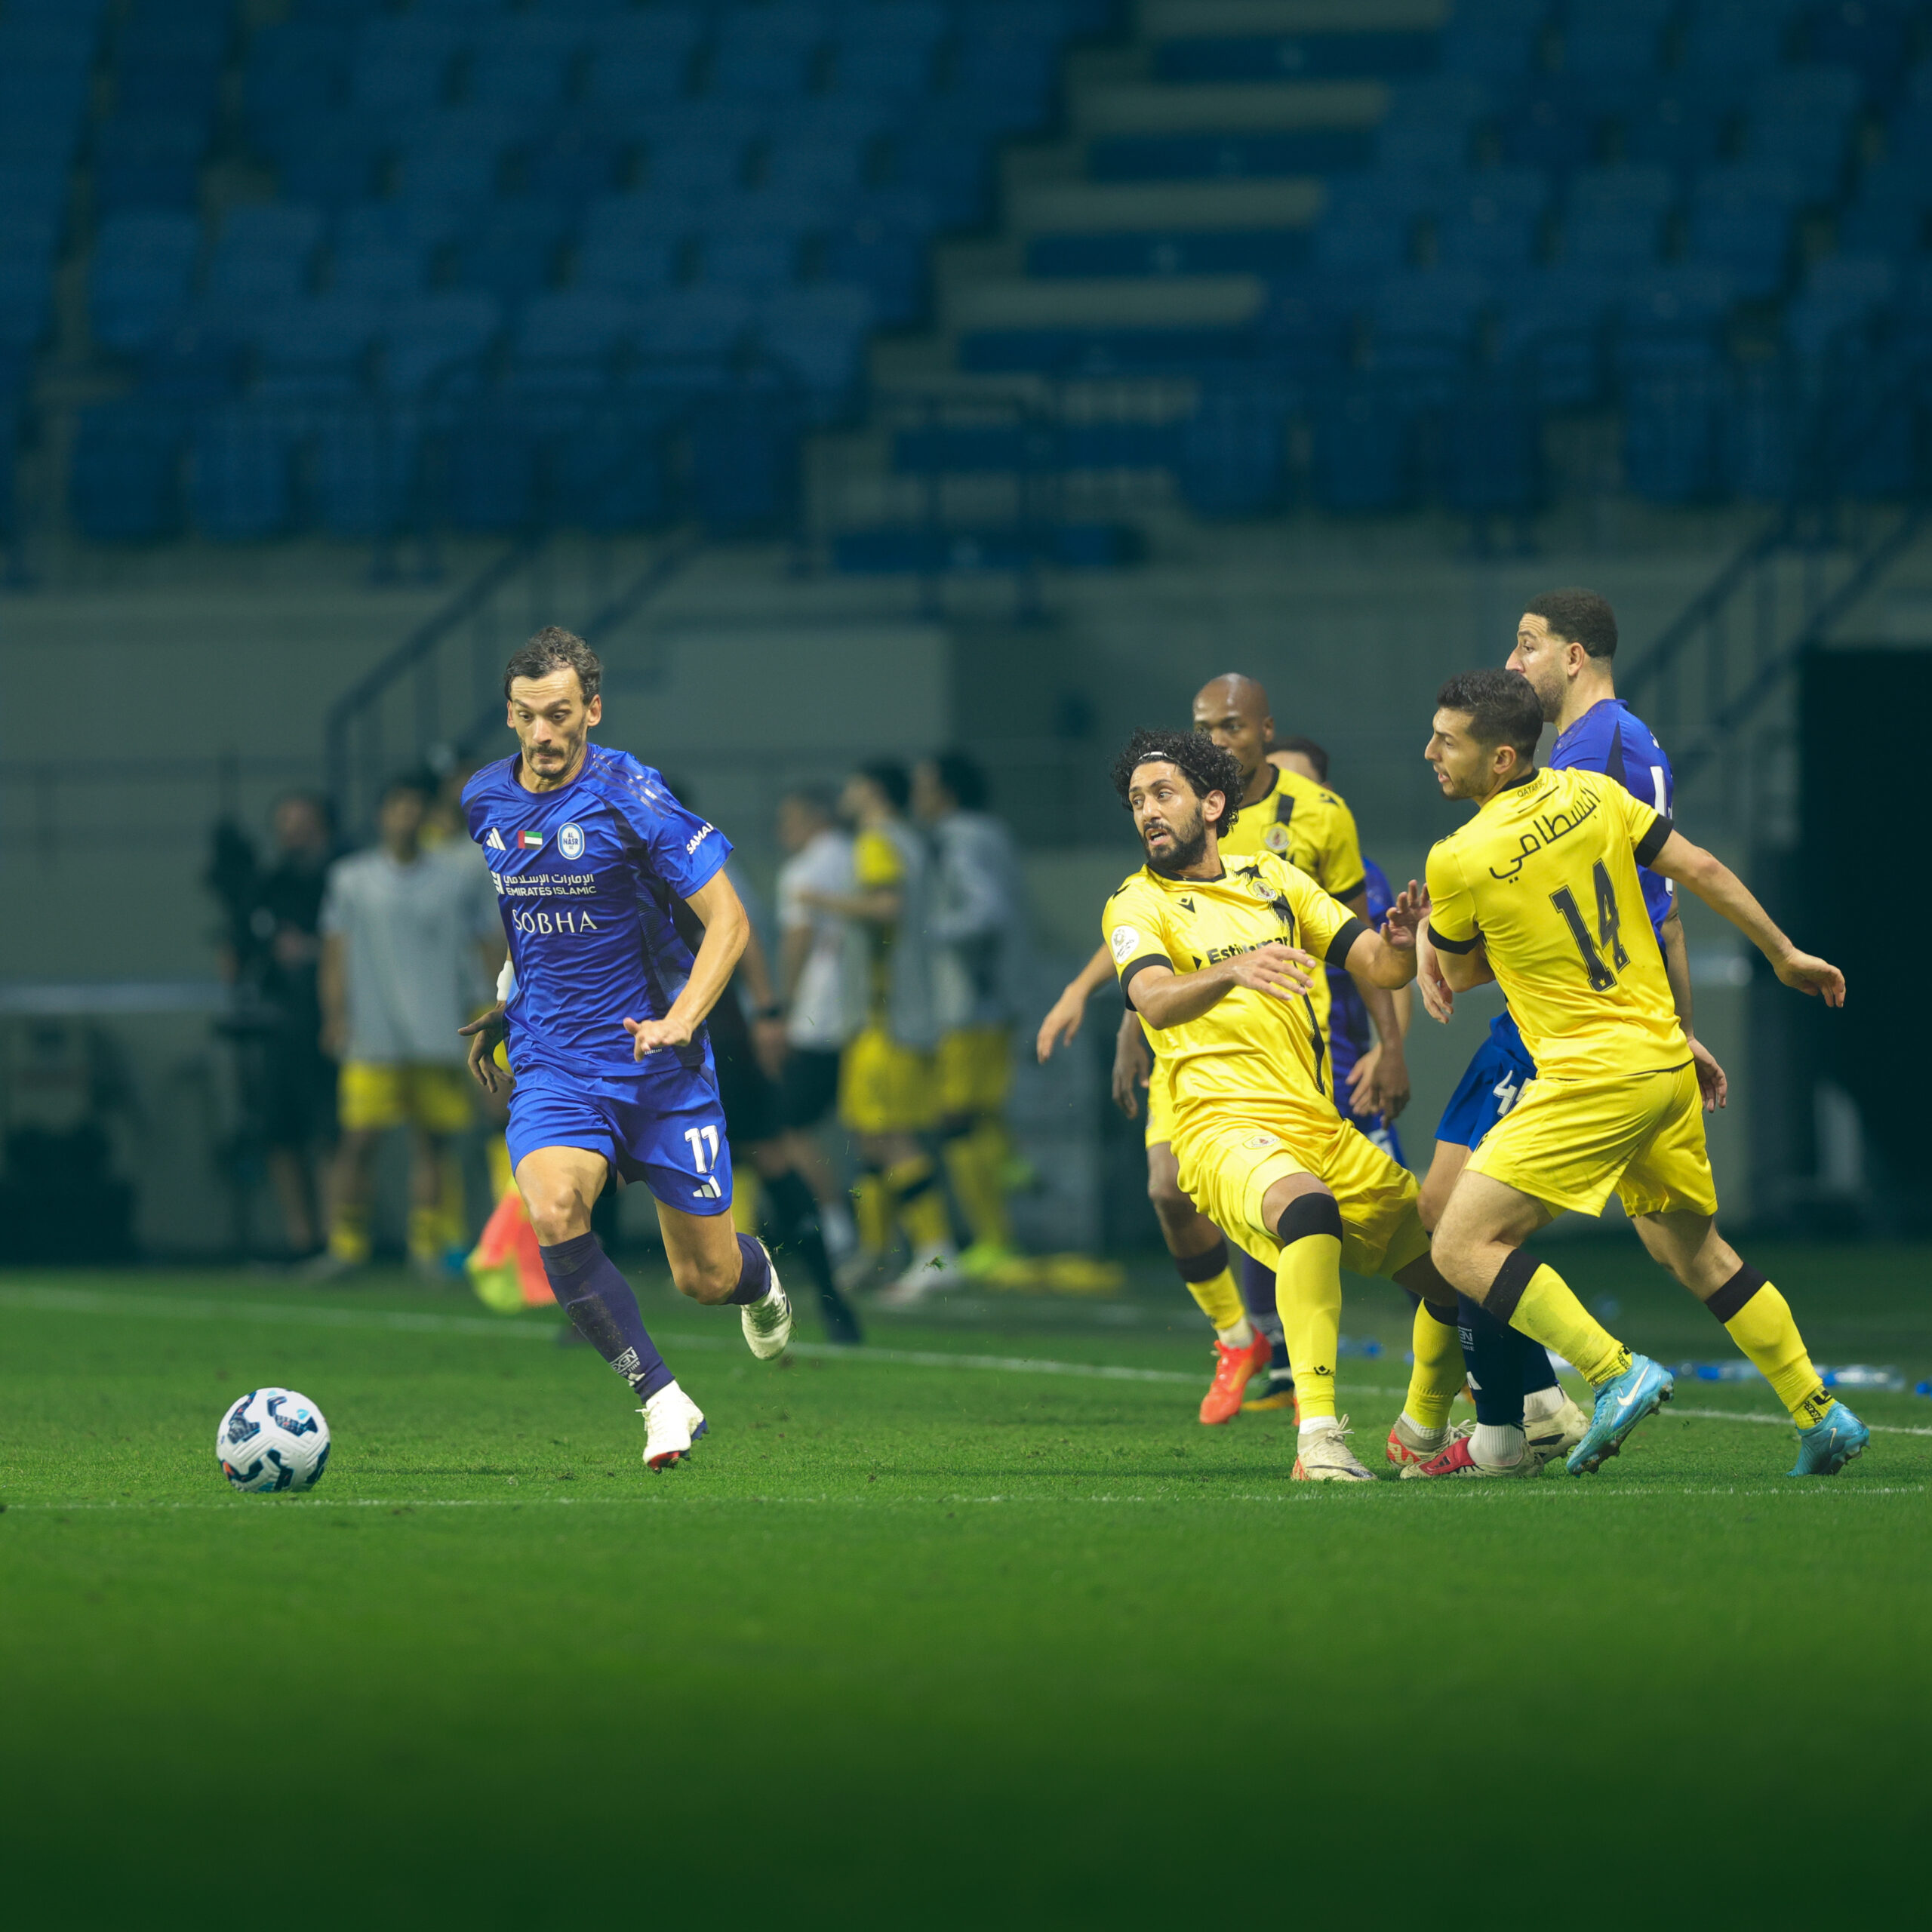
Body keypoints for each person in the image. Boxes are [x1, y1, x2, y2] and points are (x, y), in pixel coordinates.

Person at [1419, 669, 1866, 1478]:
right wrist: (1782, 952)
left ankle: (1610, 1371)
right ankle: (1820, 1411)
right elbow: (1700, 871)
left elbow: (1459, 970)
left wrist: (1423, 939)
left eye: (1447, 740)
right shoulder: (1594, 796)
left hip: (1592, 1077)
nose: (1430, 753)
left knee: (1460, 1240)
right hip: (1664, 1057)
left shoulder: (1458, 858)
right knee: (1699, 1255)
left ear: (1501, 757)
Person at [458, 626, 793, 1474]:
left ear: (592, 711)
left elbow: (730, 921)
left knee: (704, 1279)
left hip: (658, 1064)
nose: (543, 733)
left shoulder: (631, 793)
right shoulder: (483, 802)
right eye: (528, 716)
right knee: (554, 1208)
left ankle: (759, 1275)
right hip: (554, 1063)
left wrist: (682, 1018)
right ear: (509, 715)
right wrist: (508, 1002)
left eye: (561, 714)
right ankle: (661, 1397)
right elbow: (527, 920)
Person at [1040, 673, 1408, 1428]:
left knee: (1413, 1232)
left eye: (1230, 726)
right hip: (1195, 1044)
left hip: (1291, 1038)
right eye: (1204, 726)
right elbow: (1142, 936)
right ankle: (1246, 1344)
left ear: (1263, 729)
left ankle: (1479, 1377)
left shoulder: (1302, 829)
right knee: (1173, 1190)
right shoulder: (1170, 832)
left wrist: (1390, 1038)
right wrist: (1105, 1009)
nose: (1217, 740)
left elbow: (1363, 937)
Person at [1102, 727, 1466, 1481]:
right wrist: (1234, 969)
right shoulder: (1136, 903)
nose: (1146, 812)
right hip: (1217, 1126)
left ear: (1211, 802)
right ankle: (1319, 1439)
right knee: (1306, 1211)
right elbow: (1154, 999)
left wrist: (1406, 937)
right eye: (1136, 800)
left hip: (1313, 1120)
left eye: (1162, 794)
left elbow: (1380, 966)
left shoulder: (1273, 877)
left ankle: (1441, 1425)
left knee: (1458, 1262)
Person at [1408, 589, 1707, 1475]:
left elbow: (1647, 905)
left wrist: (1436, 938)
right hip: (1613, 1027)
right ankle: (1503, 1418)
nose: (1514, 661)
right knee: (1682, 1247)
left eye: (1527, 644)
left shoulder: (1590, 753)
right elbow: (1677, 889)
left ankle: (1509, 1415)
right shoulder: (1599, 756)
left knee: (1460, 1231)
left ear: (1573, 657)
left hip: (1567, 1033)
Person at [312, 775, 501, 1281]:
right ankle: (347, 1244)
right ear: (382, 815)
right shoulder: (351, 878)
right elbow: (335, 954)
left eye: (416, 807)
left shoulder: (456, 877)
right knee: (359, 1139)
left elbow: (486, 942)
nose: (407, 816)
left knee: (434, 1143)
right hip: (373, 1035)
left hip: (439, 1030)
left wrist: (503, 1004)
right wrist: (335, 1016)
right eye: (398, 806)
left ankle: (427, 1247)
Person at [798, 761, 951, 1302]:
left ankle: (937, 1252)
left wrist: (821, 901)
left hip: (889, 1016)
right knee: (867, 1134)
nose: (847, 792)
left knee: (892, 1134)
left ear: (874, 792)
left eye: (855, 784)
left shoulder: (878, 841)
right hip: (881, 1015)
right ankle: (876, 1249)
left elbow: (887, 906)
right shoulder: (903, 840)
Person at [915, 749, 1027, 1277]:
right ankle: (1011, 1171)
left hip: (971, 1001)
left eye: (925, 786)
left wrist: (929, 934)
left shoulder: (958, 838)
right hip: (992, 999)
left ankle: (992, 1238)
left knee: (955, 1120)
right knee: (977, 1117)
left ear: (946, 792)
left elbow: (986, 910)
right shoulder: (990, 832)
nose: (919, 798)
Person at [771, 786, 863, 1263]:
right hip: (866, 1008)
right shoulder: (858, 855)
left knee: (788, 1124)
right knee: (865, 1125)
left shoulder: (804, 871)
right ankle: (872, 1235)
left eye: (789, 818)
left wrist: (781, 1007)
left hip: (818, 1014)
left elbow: (798, 939)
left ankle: (834, 1225)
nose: (782, 830)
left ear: (812, 818)